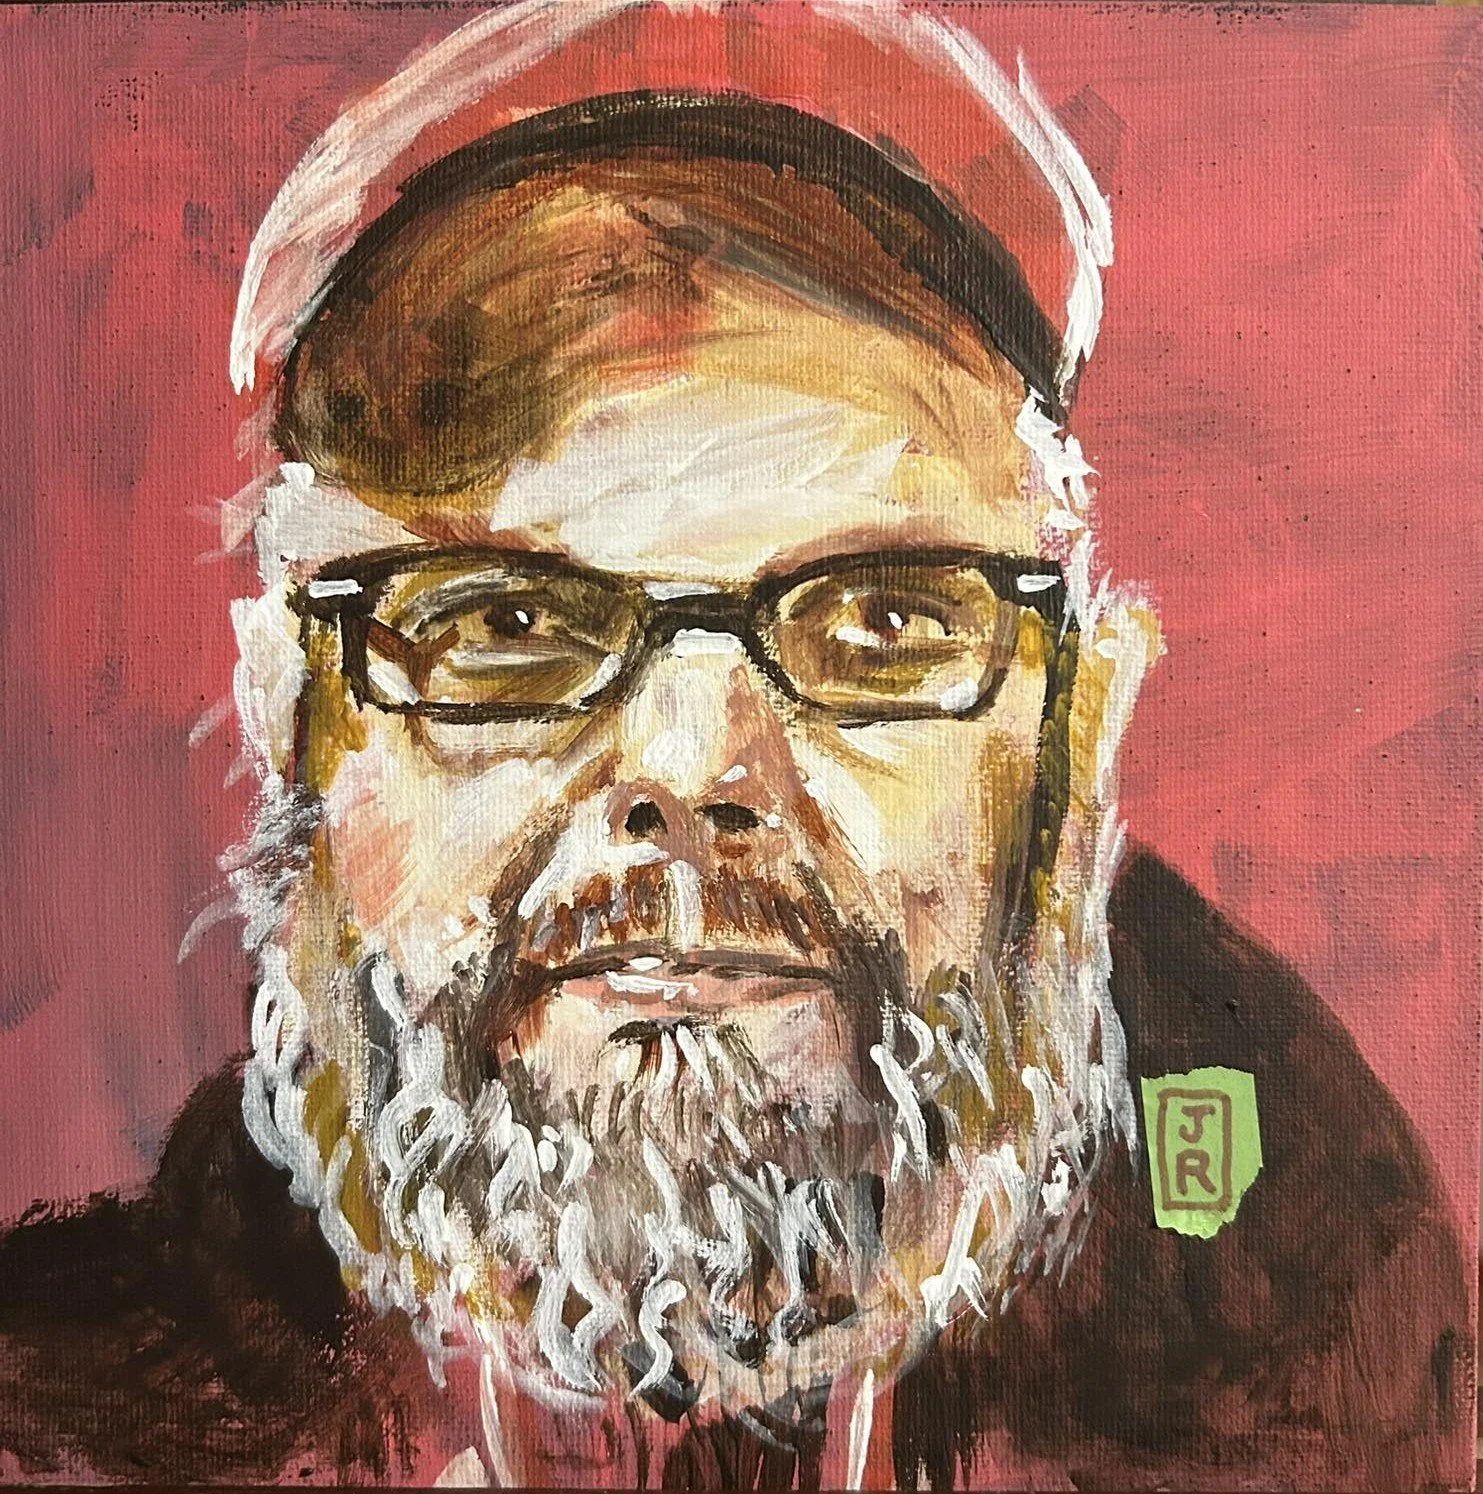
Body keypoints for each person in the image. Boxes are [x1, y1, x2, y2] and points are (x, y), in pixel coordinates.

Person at [0, 6, 1468, 1488]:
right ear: (294, 720)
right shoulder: (56, 1420)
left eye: (882, 621)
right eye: (506, 623)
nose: (693, 764)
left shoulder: (1335, 1393)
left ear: (1074, 749)